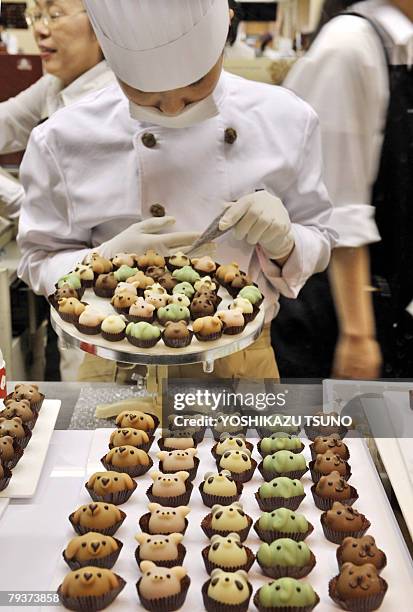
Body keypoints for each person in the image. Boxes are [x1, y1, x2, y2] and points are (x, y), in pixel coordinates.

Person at [17, 0, 335, 383]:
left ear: (225, 29)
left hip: (243, 362)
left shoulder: (286, 118)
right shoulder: (62, 137)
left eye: (195, 85)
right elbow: (38, 259)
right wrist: (102, 259)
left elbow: (319, 238)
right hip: (113, 365)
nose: (170, 108)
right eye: (143, 92)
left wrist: (285, 242)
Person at [272, 0, 413, 378]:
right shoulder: (349, 46)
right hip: (331, 308)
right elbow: (334, 205)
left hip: (387, 300)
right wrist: (358, 335)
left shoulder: (403, 45)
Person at [0, 0, 114, 219]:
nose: (39, 30)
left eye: (54, 15)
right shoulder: (56, 83)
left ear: (103, 26)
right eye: (36, 15)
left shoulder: (108, 103)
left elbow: (60, 216)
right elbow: (7, 121)